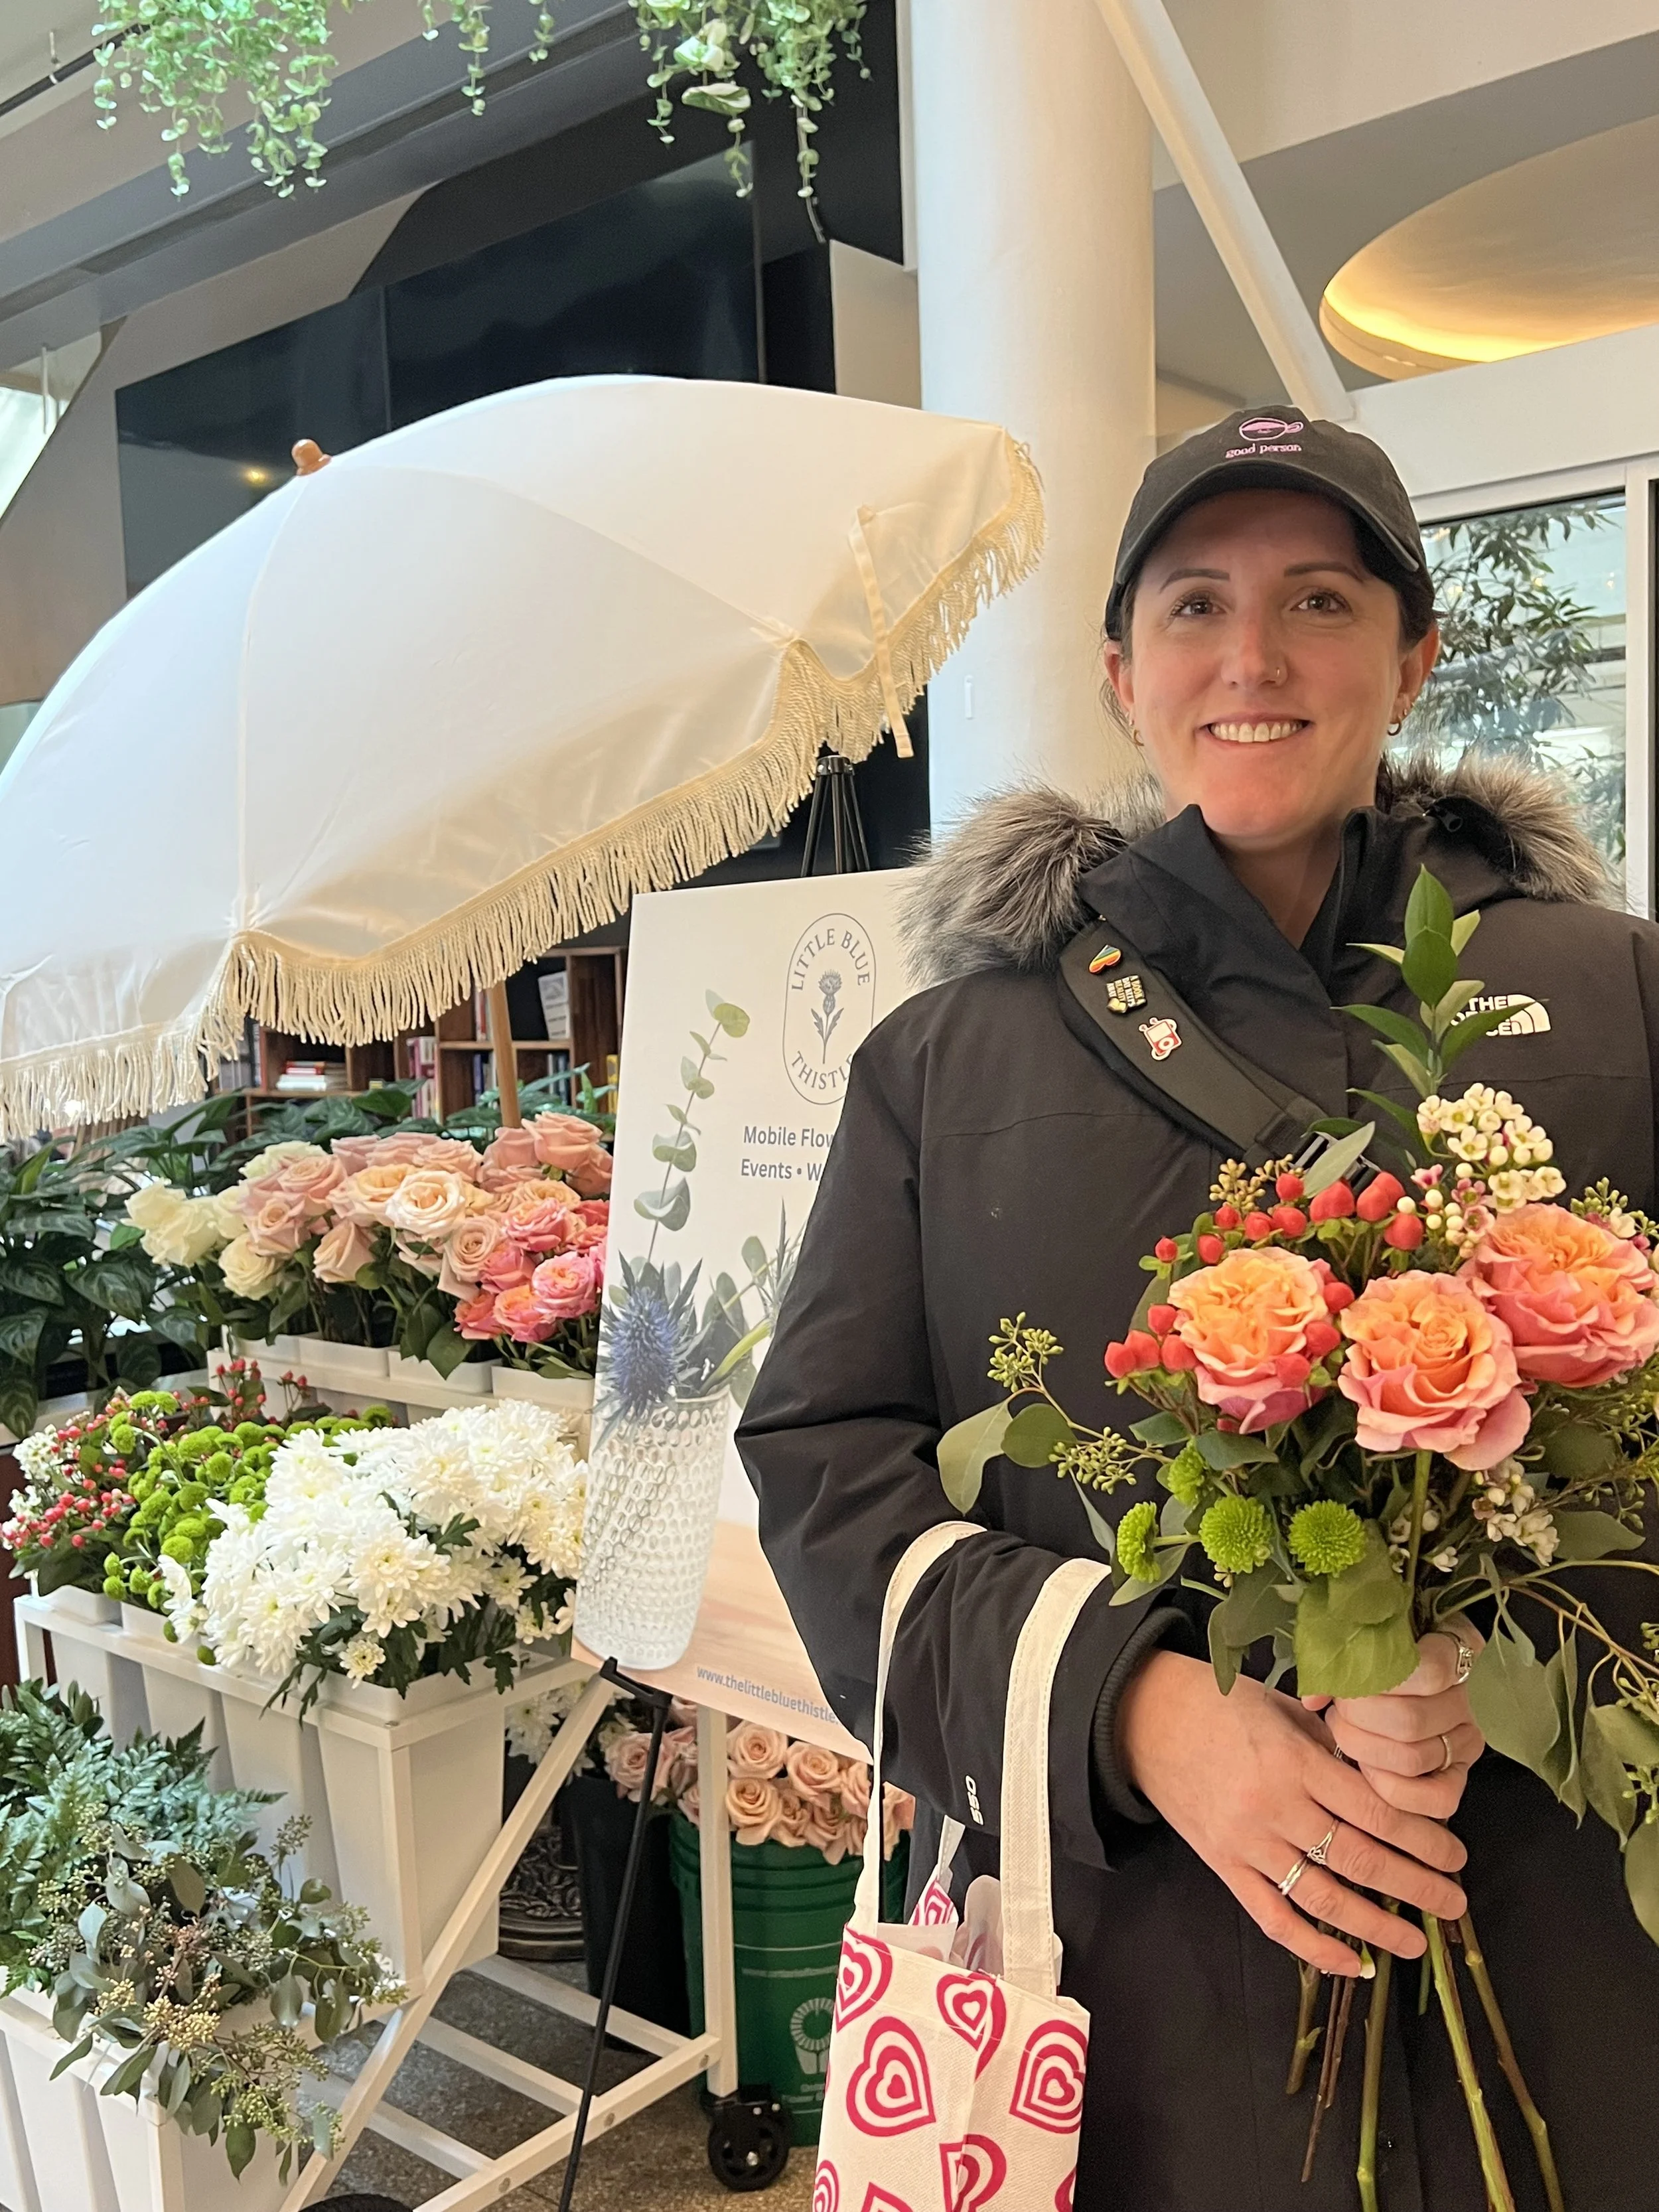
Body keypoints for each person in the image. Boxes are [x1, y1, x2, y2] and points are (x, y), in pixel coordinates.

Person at [735, 409, 1659, 2210]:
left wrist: (1513, 1633)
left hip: (1557, 1943)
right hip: (1137, 1971)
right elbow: (827, 1465)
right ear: (1117, 670)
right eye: (1192, 606)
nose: (1252, 658)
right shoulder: (950, 1056)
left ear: (1412, 653)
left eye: (1319, 599)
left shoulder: (1609, 995)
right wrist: (1138, 1708)